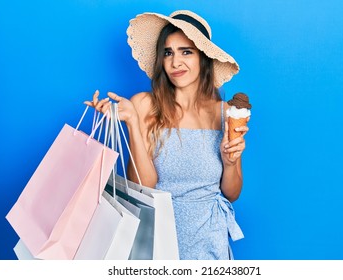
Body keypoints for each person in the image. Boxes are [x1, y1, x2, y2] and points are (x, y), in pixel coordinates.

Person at [85, 10, 250, 260]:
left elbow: (232, 192)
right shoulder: (143, 105)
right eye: (168, 52)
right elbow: (143, 186)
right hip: (157, 245)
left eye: (186, 51)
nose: (175, 62)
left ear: (203, 57)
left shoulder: (225, 113)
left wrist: (229, 162)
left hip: (210, 246)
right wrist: (131, 122)